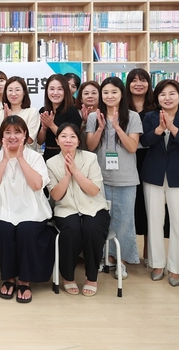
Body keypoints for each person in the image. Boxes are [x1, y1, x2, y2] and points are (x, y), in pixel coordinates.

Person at [0, 115, 54, 304]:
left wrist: (21, 158)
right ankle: (9, 279)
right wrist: (5, 160)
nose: (12, 136)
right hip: (3, 209)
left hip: (33, 210)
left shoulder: (36, 157)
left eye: (17, 132)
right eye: (8, 132)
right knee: (5, 230)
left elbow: (37, 184)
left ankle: (25, 281)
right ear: (1, 137)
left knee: (26, 231)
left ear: (25, 135)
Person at [140, 79, 179, 287]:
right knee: (154, 222)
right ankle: (157, 264)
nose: (167, 97)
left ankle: (176, 268)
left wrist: (172, 128)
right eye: (163, 94)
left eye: (172, 93)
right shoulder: (149, 117)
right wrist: (158, 130)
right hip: (153, 175)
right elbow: (144, 142)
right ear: (157, 98)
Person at [86, 77, 142, 279]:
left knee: (125, 221)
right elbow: (91, 146)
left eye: (114, 92)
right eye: (106, 92)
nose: (109, 96)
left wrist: (117, 127)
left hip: (126, 178)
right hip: (99, 177)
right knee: (102, 220)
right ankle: (104, 257)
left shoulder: (133, 117)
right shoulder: (94, 117)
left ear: (121, 94)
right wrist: (101, 127)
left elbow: (133, 147)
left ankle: (121, 260)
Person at [47, 123, 110, 297]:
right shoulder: (51, 163)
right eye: (64, 136)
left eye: (73, 136)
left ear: (78, 141)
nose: (68, 140)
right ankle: (67, 276)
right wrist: (67, 176)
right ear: (57, 140)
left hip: (94, 208)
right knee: (72, 230)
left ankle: (92, 277)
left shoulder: (90, 158)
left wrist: (75, 171)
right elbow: (57, 196)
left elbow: (93, 190)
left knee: (92, 229)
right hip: (67, 209)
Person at [126, 68, 166, 265]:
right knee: (131, 206)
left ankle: (149, 252)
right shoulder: (123, 106)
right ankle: (128, 250)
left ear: (149, 84)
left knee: (151, 205)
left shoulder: (155, 108)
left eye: (142, 80)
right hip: (128, 158)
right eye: (134, 80)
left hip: (151, 159)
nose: (138, 84)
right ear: (128, 84)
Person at [37, 74, 82, 161]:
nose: (55, 93)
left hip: (66, 156)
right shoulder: (43, 110)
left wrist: (51, 125)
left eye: (60, 89)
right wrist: (44, 129)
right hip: (47, 155)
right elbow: (40, 141)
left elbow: (70, 138)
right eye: (52, 89)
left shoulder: (72, 111)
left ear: (65, 91)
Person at [0, 76, 40, 148]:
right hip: (7, 156)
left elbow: (30, 140)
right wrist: (5, 121)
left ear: (24, 92)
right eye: (10, 90)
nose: (13, 94)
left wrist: (11, 121)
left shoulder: (32, 112)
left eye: (17, 90)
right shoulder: (0, 114)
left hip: (27, 156)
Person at [75, 80, 101, 149]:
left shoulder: (104, 113)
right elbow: (72, 134)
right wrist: (84, 122)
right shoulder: (75, 113)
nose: (90, 96)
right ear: (81, 98)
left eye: (94, 93)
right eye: (86, 93)